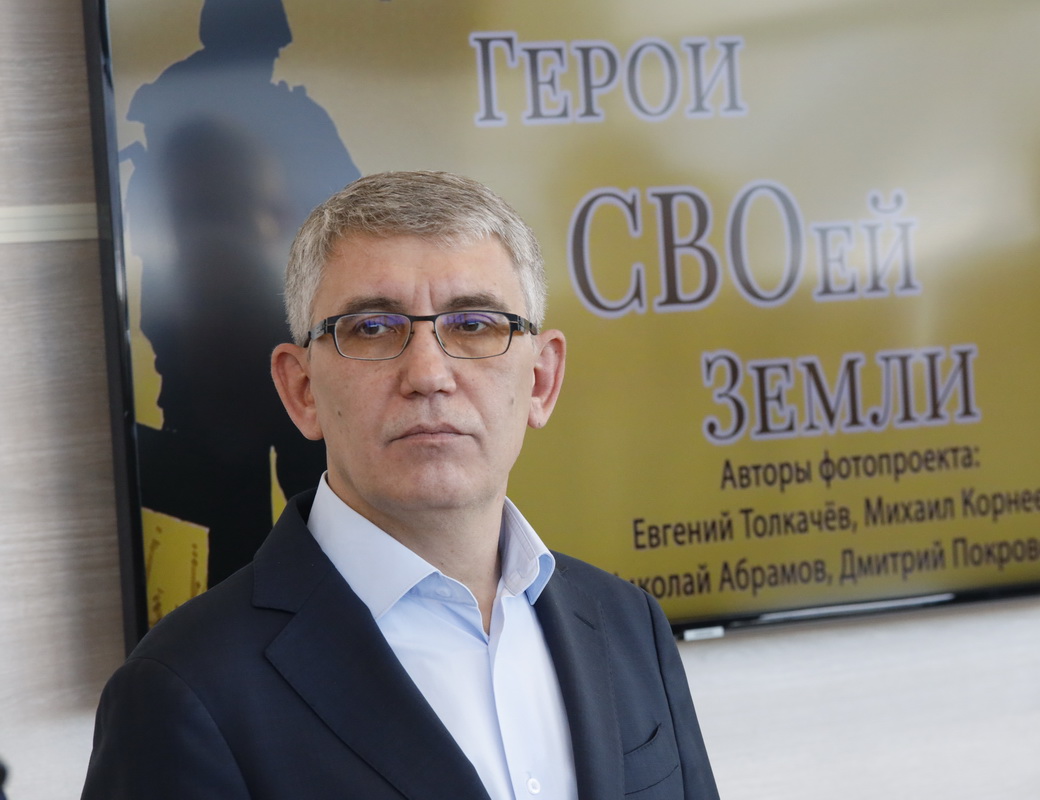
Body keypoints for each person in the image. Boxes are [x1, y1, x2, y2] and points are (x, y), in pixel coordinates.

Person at [82, 171, 720, 799]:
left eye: (474, 324)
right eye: (372, 328)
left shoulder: (627, 623)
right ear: (301, 390)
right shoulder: (182, 688)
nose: (428, 375)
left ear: (542, 381)